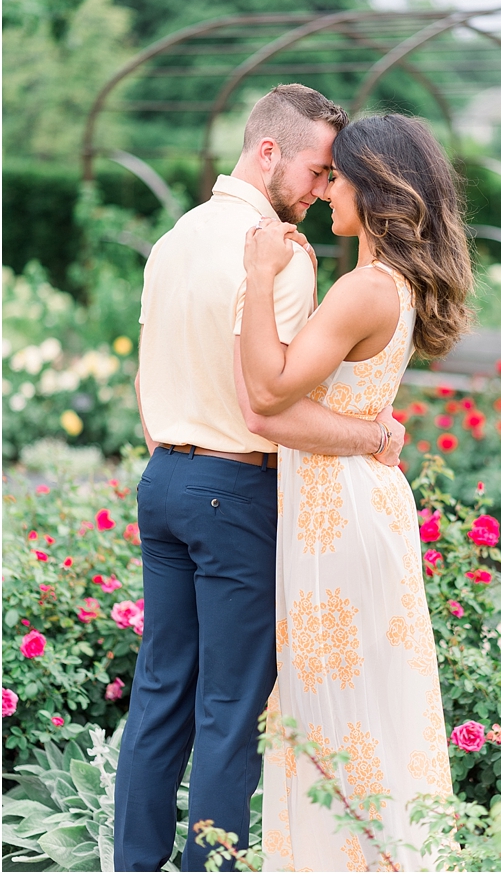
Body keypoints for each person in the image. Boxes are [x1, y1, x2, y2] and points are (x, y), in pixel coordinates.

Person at [115, 84, 403, 872]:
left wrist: (178, 447)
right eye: (315, 171)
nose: (320, 189)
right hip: (236, 491)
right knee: (231, 708)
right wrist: (374, 433)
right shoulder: (277, 251)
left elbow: (147, 379)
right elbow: (276, 405)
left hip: (162, 480)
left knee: (160, 693)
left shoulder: (173, 239)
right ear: (267, 151)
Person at [239, 113, 473, 871]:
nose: (327, 188)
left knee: (334, 709)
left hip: (338, 516)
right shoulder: (392, 285)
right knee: (364, 705)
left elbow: (271, 390)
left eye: (337, 176)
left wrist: (256, 276)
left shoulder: (366, 287)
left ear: (372, 189)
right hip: (351, 505)